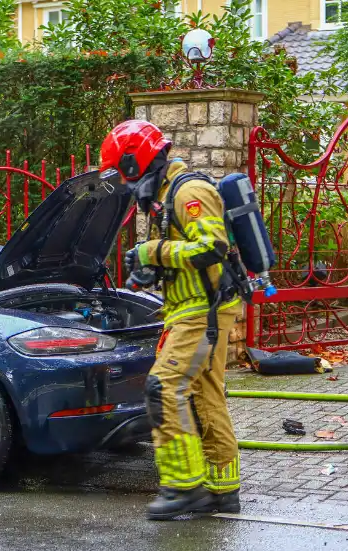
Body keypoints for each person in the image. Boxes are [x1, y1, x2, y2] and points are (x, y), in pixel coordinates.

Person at [100, 120, 243, 520]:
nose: (125, 185)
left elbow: (212, 247)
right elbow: (183, 252)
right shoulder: (167, 195)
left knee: (164, 387)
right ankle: (222, 489)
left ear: (134, 163)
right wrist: (148, 265)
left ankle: (184, 488)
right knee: (205, 395)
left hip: (203, 310)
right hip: (194, 308)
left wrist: (154, 252)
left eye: (122, 172)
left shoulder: (190, 192)